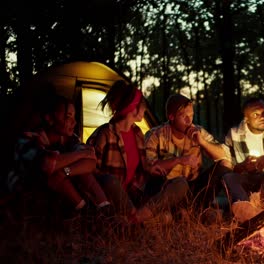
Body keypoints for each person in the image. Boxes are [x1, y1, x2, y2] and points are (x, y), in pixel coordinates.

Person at [8, 93, 109, 216]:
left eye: (74, 117)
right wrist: (80, 155)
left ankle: (104, 210)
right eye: (68, 117)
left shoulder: (69, 138)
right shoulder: (29, 138)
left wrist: (65, 171)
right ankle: (84, 212)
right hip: (24, 197)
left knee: (81, 172)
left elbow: (91, 161)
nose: (74, 122)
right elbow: (47, 164)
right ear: (49, 118)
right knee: (54, 172)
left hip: (51, 193)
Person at [144, 94, 228, 218]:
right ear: (171, 117)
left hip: (193, 188)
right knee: (162, 182)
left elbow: (224, 155)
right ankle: (181, 212)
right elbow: (149, 167)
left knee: (225, 165)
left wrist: (202, 142)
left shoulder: (197, 131)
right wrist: (178, 160)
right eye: (184, 116)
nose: (189, 121)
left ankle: (195, 210)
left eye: (191, 115)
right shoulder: (156, 135)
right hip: (169, 189)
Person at [87, 80, 159, 223]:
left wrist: (151, 170)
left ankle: (137, 217)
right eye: (143, 106)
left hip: (134, 195)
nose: (145, 110)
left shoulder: (138, 133)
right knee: (111, 181)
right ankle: (136, 218)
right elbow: (91, 172)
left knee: (178, 183)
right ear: (133, 108)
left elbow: (140, 170)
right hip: (114, 199)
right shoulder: (105, 134)